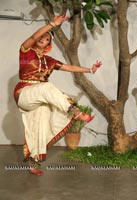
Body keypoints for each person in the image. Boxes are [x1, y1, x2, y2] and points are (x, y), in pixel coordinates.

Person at [14, 15, 102, 176]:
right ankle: (75, 112)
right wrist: (53, 24)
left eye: (47, 38)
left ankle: (33, 161)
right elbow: (34, 36)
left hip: (40, 100)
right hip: (25, 92)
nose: (42, 38)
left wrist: (90, 70)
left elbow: (69, 67)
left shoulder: (49, 61)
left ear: (49, 44)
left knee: (40, 129)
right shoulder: (26, 51)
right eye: (42, 36)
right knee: (46, 87)